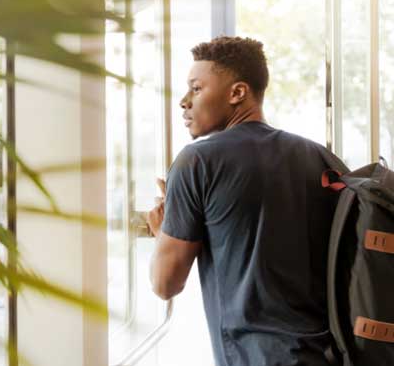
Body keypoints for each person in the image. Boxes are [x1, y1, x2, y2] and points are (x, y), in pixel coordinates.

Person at [145, 36, 340, 366]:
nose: (183, 101)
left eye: (196, 88)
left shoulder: (197, 161)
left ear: (237, 93)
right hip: (327, 355)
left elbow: (165, 283)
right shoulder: (318, 157)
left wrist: (165, 230)